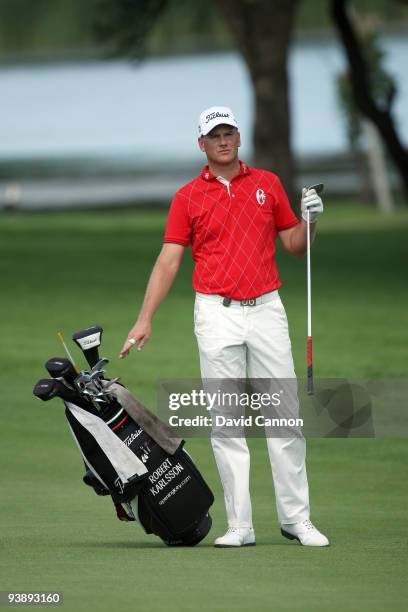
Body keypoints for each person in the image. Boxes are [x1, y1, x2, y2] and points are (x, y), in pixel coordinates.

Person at [120, 106, 329, 548]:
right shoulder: (187, 197)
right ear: (202, 144)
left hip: (267, 308)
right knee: (226, 420)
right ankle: (241, 526)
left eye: (229, 132)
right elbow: (169, 260)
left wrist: (311, 220)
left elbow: (293, 245)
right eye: (214, 134)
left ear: (238, 137)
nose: (223, 140)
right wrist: (144, 318)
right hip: (215, 313)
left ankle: (296, 519)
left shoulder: (268, 184)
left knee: (284, 419)